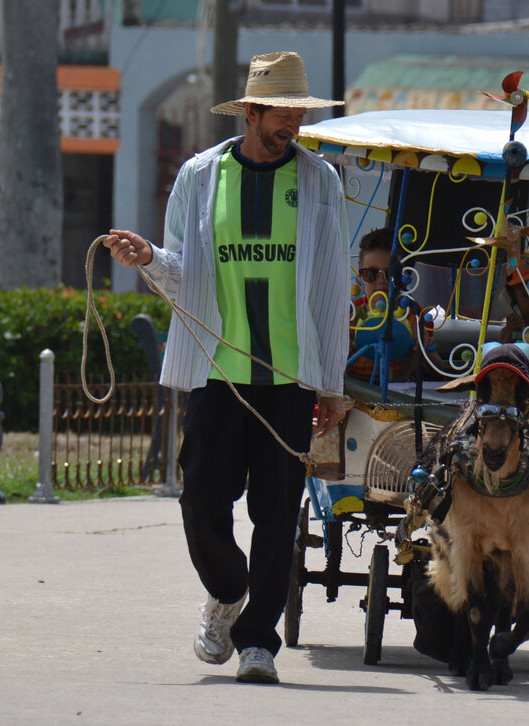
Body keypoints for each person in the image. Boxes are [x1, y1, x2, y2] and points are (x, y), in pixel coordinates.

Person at [103, 52, 349, 684]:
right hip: (216, 373)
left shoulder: (320, 181)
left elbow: (330, 285)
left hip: (290, 379)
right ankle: (227, 591)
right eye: (281, 113)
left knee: (277, 510)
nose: (291, 124)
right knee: (202, 498)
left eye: (299, 113)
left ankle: (258, 641)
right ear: (251, 111)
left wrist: (334, 384)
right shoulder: (200, 176)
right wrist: (149, 258)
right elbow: (185, 270)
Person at [348, 227, 432, 381]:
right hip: (351, 393)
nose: (381, 281)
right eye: (370, 274)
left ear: (407, 278)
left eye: (391, 274)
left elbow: (436, 372)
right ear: (359, 280)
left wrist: (424, 350)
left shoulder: (416, 317)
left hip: (396, 395)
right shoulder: (349, 315)